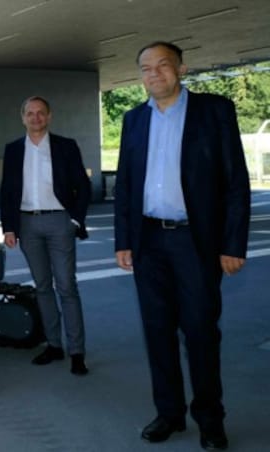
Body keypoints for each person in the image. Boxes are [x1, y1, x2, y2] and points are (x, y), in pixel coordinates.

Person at [114, 41, 250, 450]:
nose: (153, 74)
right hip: (149, 241)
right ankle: (169, 414)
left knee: (200, 332)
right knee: (157, 332)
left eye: (162, 66)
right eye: (145, 68)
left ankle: (210, 419)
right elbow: (124, 184)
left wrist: (232, 244)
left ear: (181, 68)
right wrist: (124, 240)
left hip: (197, 242)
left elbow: (235, 182)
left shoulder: (214, 111)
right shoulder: (133, 119)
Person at [0, 96, 92, 376]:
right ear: (23, 117)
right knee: (42, 287)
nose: (36, 117)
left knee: (66, 286)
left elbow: (83, 186)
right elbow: (8, 192)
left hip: (59, 221)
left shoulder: (65, 146)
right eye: (30, 113)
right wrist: (9, 227)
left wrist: (75, 219)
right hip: (27, 225)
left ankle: (77, 351)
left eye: (41, 113)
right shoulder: (13, 149)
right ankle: (54, 345)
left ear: (49, 116)